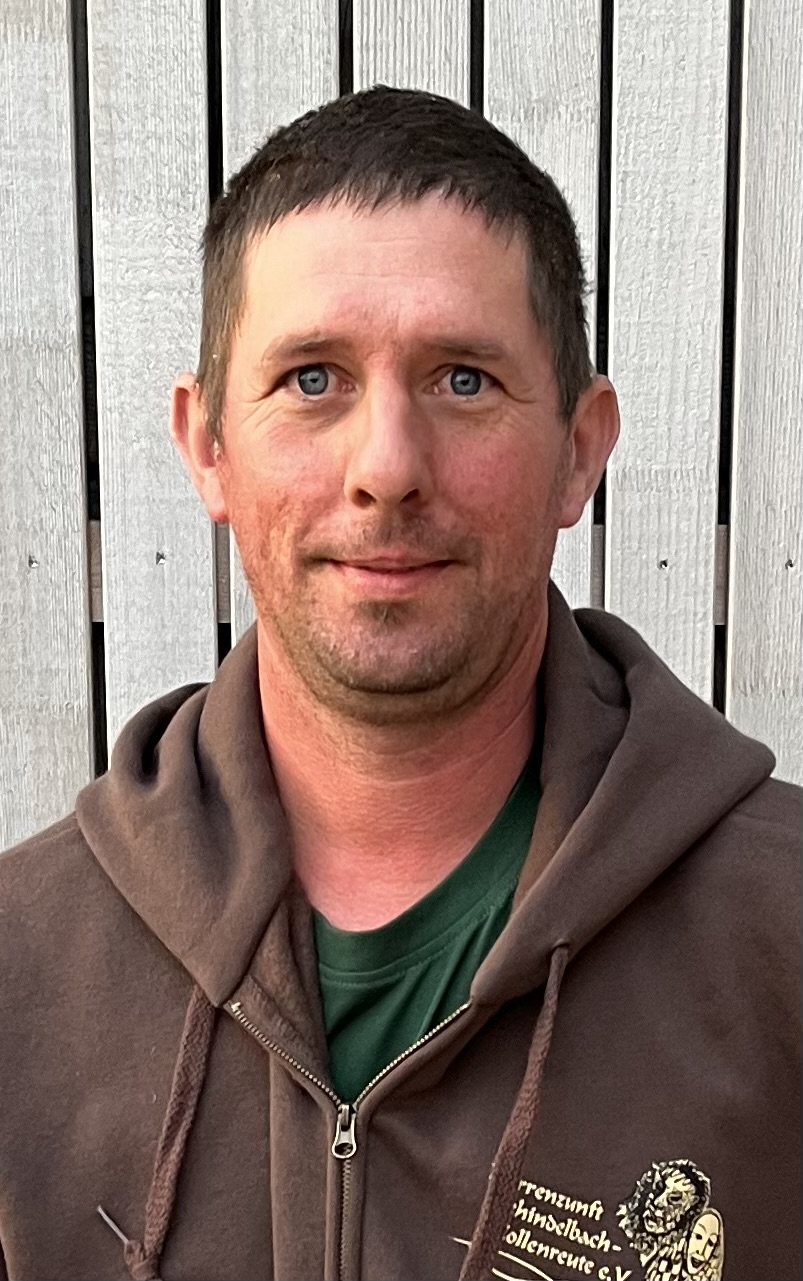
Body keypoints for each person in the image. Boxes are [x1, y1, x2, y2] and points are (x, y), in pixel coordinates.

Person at [0, 86, 799, 1281]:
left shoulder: (780, 934)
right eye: (311, 378)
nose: (386, 466)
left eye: (462, 379)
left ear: (579, 449)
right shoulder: (22, 968)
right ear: (208, 444)